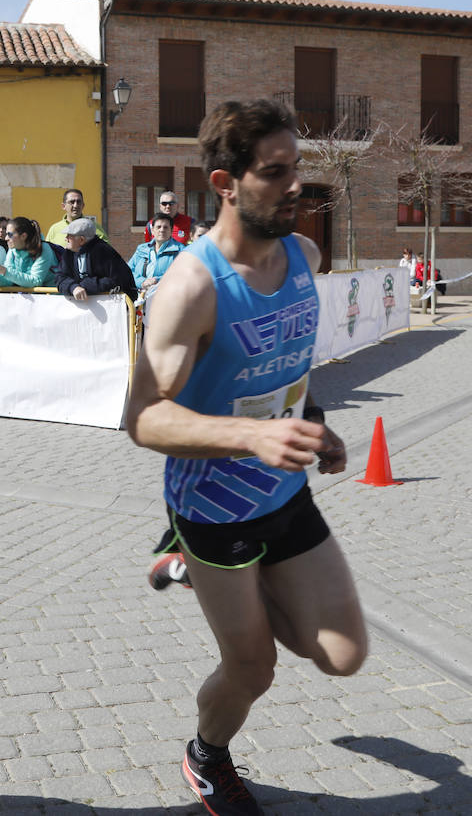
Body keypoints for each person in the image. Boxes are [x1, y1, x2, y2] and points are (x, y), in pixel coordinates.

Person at [126, 98, 367, 816]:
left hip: (284, 495)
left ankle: (198, 573)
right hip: (213, 505)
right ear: (227, 182)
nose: (297, 185)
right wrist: (252, 437)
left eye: (298, 168)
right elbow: (140, 418)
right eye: (277, 172)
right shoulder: (191, 287)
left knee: (340, 655)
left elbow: (286, 362)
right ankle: (207, 758)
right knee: (253, 666)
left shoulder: (305, 255)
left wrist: (311, 419)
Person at [56, 217, 136, 301]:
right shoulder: (69, 253)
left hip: (113, 307)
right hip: (83, 307)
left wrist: (84, 286)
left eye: (69, 235)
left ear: (81, 240)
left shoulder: (104, 252)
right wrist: (73, 287)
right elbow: (60, 277)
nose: (66, 238)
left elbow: (117, 281)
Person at [0, 217, 58, 288]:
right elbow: (8, 282)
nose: (6, 238)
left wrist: (6, 272)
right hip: (28, 297)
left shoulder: (43, 248)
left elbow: (36, 281)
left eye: (10, 234)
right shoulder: (12, 250)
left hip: (52, 297)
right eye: (6, 234)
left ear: (23, 236)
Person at [127, 213, 185, 294]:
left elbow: (182, 274)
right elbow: (128, 271)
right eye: (158, 227)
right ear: (152, 230)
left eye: (165, 227)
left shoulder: (181, 250)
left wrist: (157, 281)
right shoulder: (141, 249)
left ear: (171, 231)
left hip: (166, 297)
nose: (162, 230)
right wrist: (142, 282)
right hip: (139, 297)